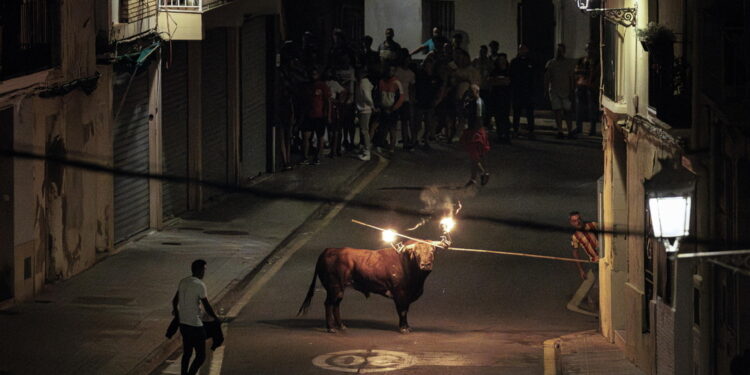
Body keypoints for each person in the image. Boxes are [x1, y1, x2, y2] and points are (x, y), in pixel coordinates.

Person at [172, 259, 220, 375]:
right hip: (195, 325)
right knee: (201, 356)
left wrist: (177, 313)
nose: (204, 272)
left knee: (187, 353)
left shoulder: (183, 281)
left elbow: (174, 301)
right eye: (204, 269)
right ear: (199, 270)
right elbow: (206, 305)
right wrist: (215, 318)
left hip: (183, 324)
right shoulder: (200, 285)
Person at [567, 211, 600, 317]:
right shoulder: (575, 236)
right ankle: (593, 304)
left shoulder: (592, 225)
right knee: (599, 284)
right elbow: (575, 252)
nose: (578, 222)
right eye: (575, 221)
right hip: (594, 261)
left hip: (604, 258)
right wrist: (581, 269)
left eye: (579, 219)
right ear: (571, 223)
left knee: (600, 283)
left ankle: (595, 306)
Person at [460, 85, 490, 186]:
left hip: (475, 131)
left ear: (477, 91)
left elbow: (479, 117)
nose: (469, 93)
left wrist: (475, 131)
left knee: (475, 155)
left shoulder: (478, 102)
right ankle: (474, 177)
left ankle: (482, 174)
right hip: (474, 130)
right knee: (475, 155)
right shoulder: (473, 101)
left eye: (471, 91)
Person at [545, 43, 575, 139]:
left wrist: (572, 89)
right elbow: (547, 77)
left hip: (566, 90)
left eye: (561, 50)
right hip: (554, 90)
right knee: (557, 111)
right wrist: (546, 89)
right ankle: (560, 130)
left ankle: (570, 130)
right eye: (558, 50)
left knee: (567, 112)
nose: (559, 52)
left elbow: (572, 78)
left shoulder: (568, 64)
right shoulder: (551, 63)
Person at [414, 58, 445, 150]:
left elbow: (441, 88)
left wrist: (438, 99)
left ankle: (426, 140)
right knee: (418, 123)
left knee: (429, 122)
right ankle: (415, 140)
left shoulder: (435, 77)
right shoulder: (420, 75)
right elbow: (414, 87)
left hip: (430, 102)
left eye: (430, 65)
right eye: (427, 65)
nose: (428, 67)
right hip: (420, 101)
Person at [302, 68, 330, 165]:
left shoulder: (322, 86)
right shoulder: (308, 86)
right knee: (306, 136)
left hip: (319, 115)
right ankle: (305, 157)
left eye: (315, 73)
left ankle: (317, 157)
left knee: (320, 137)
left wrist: (327, 114)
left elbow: (327, 101)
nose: (313, 75)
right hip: (309, 114)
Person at [375, 64, 405, 153]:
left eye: (392, 70)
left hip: (393, 110)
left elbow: (401, 97)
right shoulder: (381, 81)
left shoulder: (397, 82)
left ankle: (392, 147)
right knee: (383, 128)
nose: (389, 72)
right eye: (388, 70)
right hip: (383, 108)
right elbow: (379, 95)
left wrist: (393, 108)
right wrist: (380, 106)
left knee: (392, 129)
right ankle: (381, 144)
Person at [574, 42, 601, 136]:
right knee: (579, 108)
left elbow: (596, 73)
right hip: (581, 85)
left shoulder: (597, 61)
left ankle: (592, 129)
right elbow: (576, 71)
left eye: (591, 49)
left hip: (591, 87)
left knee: (592, 108)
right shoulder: (582, 60)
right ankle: (579, 127)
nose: (589, 51)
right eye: (587, 49)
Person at [510, 44, 536, 139]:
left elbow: (534, 76)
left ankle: (531, 131)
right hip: (517, 91)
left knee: (530, 112)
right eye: (520, 49)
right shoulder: (514, 62)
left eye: (524, 49)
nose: (522, 51)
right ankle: (515, 130)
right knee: (516, 111)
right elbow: (511, 76)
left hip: (528, 91)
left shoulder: (531, 62)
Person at [487, 53, 512, 143]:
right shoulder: (494, 71)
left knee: (505, 116)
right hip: (496, 96)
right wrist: (501, 81)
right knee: (498, 116)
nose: (501, 61)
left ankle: (506, 135)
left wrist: (498, 80)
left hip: (506, 96)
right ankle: (500, 134)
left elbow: (508, 82)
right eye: (500, 59)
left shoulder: (509, 71)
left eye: (503, 59)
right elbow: (490, 81)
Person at [394, 49, 416, 150]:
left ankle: (407, 141)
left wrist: (411, 100)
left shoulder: (411, 73)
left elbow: (412, 88)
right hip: (397, 98)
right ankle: (398, 141)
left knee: (405, 121)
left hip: (405, 99)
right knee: (396, 121)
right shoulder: (397, 71)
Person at [325, 69, 347, 158]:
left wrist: (338, 101)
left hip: (332, 108)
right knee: (331, 131)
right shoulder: (323, 83)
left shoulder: (333, 83)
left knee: (335, 130)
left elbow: (344, 91)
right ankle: (334, 150)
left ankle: (334, 150)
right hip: (325, 107)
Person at [355, 68, 376, 161]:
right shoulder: (363, 82)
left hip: (365, 109)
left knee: (364, 130)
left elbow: (367, 96)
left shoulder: (364, 82)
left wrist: (372, 106)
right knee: (363, 130)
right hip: (363, 108)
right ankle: (364, 149)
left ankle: (367, 152)